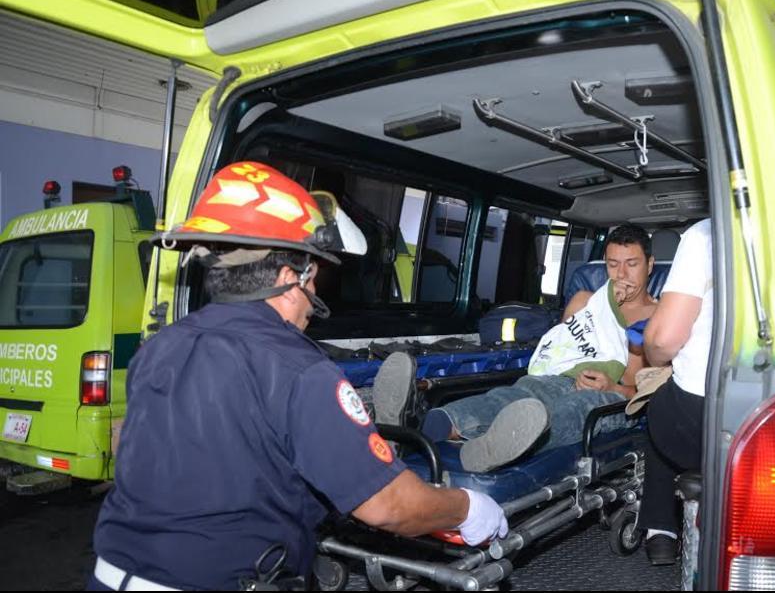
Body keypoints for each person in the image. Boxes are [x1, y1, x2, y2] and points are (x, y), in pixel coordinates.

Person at [90, 163, 507, 591]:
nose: (316, 294)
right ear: (292, 279)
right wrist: (467, 508)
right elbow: (389, 506)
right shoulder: (298, 369)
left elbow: (131, 445)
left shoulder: (161, 346)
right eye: (315, 274)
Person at [374, 224, 657, 473]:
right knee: (507, 398)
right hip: (554, 380)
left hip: (612, 401)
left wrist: (612, 387)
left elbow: (647, 396)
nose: (621, 274)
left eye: (631, 264)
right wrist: (603, 307)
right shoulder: (585, 301)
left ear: (650, 264)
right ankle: (412, 430)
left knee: (573, 408)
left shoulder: (659, 321)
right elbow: (558, 352)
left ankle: (501, 444)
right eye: (612, 264)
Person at [639, 218, 712, 565]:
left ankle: (660, 530)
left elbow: (663, 340)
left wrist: (652, 358)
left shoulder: (705, 235)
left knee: (659, 410)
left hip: (698, 413)